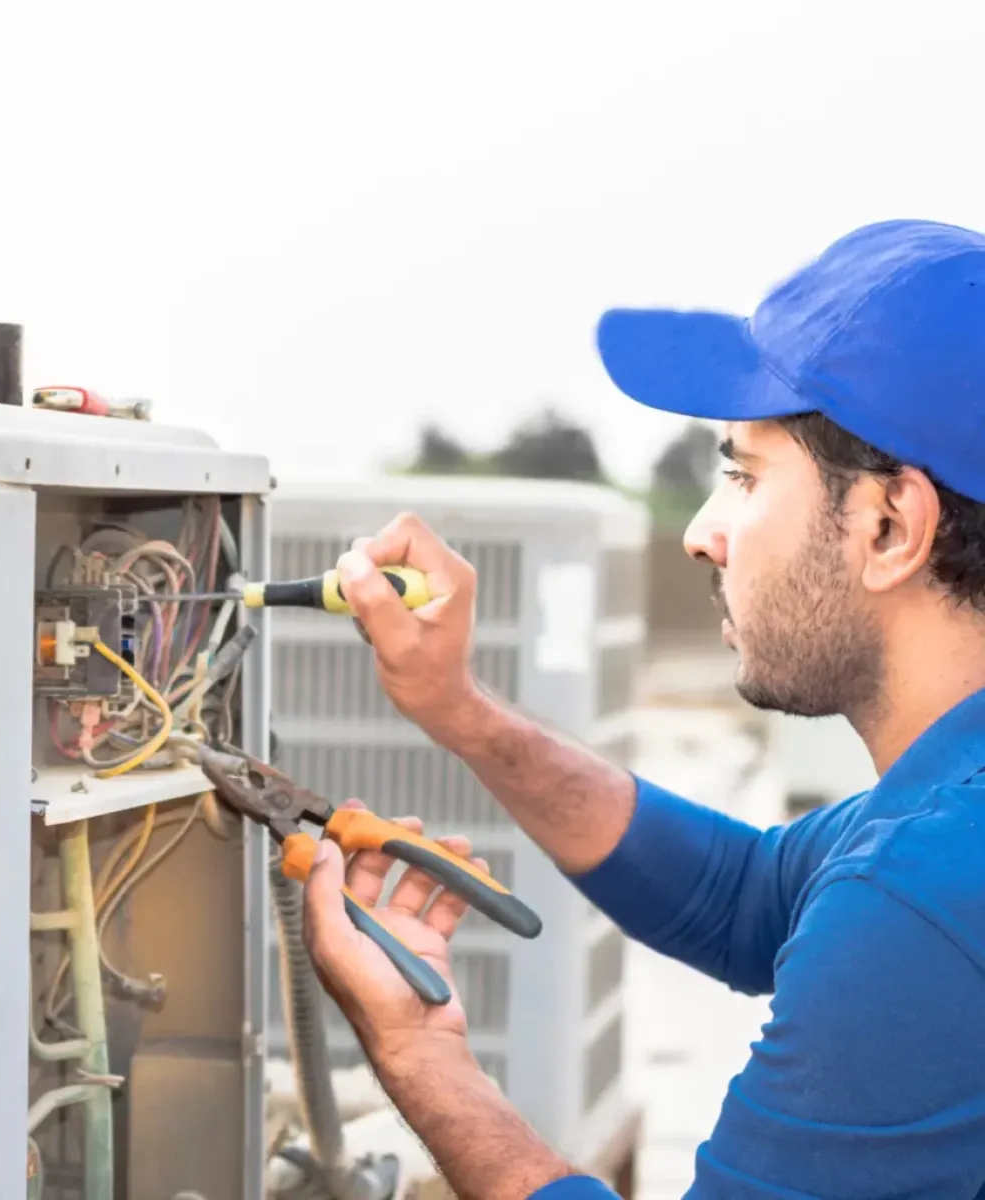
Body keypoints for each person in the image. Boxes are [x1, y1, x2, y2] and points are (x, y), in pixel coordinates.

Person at [301, 219, 985, 1199]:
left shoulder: (928, 893)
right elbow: (745, 897)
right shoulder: (942, 818)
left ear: (888, 527)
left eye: (744, 477)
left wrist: (417, 1052)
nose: (703, 535)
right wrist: (459, 710)